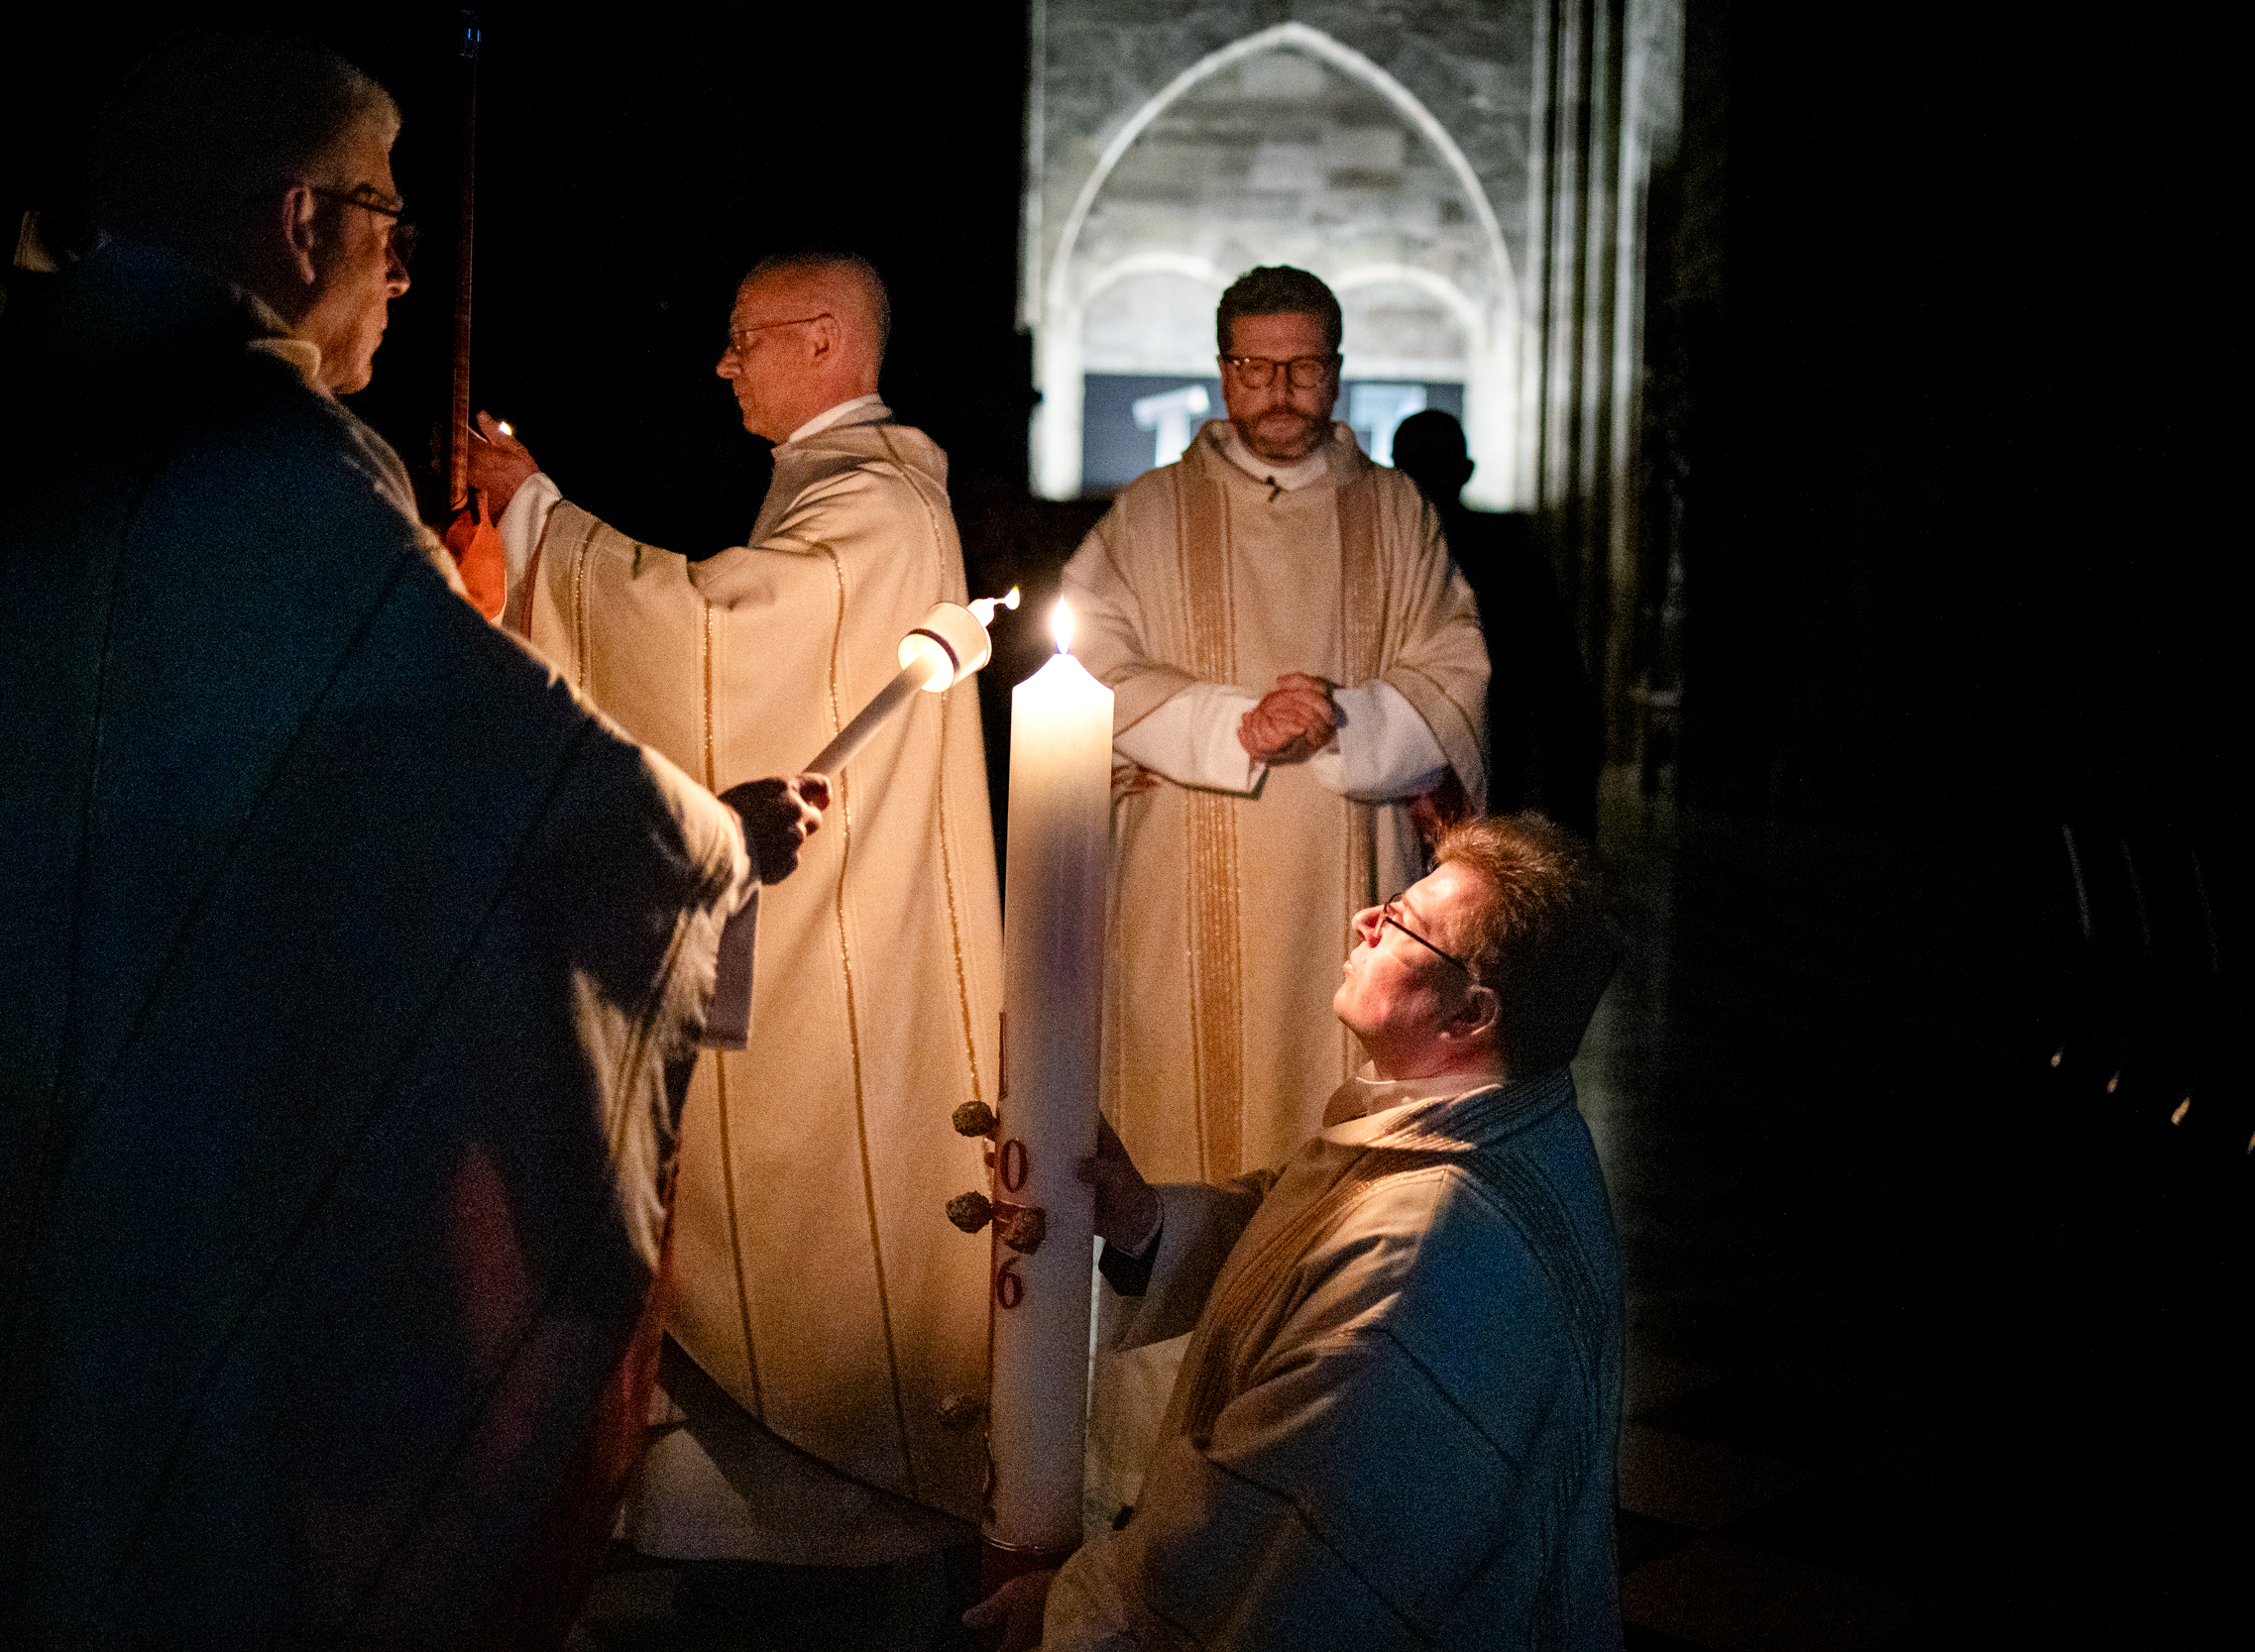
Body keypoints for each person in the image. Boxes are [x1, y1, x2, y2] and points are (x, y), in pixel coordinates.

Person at [0, 33, 824, 1647]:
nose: (397, 273)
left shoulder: (43, 380)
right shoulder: (259, 444)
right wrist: (709, 844)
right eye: (388, 221)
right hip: (176, 1154)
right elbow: (504, 795)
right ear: (301, 221)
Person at [468, 251, 1005, 1572]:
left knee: (801, 1175)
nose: (723, 366)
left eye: (742, 339)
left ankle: (829, 1500)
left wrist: (542, 520)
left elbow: (722, 636)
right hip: (838, 887)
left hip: (840, 915)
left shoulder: (872, 495)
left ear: (820, 339)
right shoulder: (848, 480)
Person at [966, 814, 1626, 1650]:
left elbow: (1266, 1535)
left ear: (1470, 1014)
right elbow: (1300, 1235)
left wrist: (1073, 1608)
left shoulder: (1427, 1249)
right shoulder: (1485, 1122)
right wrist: (1142, 1220)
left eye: (1401, 923)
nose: (1365, 919)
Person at [1064, 266, 1490, 1515]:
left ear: (1338, 369)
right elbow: (1081, 670)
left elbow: (1455, 671)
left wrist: (1341, 718)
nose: (1279, 392)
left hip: (1346, 896)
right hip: (1177, 909)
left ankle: (1322, 1467)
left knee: (1333, 1172)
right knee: (1175, 1164)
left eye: (1303, 367)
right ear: (1221, 368)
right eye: (1254, 366)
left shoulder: (1395, 513)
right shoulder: (1149, 515)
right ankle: (1154, 1487)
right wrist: (1230, 722)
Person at [1391, 408, 1603, 839]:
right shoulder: (1513, 557)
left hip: (1474, 749)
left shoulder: (1504, 559)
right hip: (1478, 751)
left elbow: (1557, 688)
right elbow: (1562, 691)